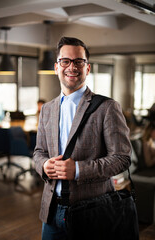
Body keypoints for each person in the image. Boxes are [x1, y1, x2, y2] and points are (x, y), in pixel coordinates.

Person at [33, 36, 132, 240]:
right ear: (56, 67)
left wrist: (78, 170)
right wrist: (43, 165)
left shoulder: (107, 107)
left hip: (92, 211)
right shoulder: (47, 109)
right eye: (65, 61)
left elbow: (122, 158)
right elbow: (38, 152)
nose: (72, 67)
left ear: (87, 68)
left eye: (79, 61)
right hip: (51, 211)